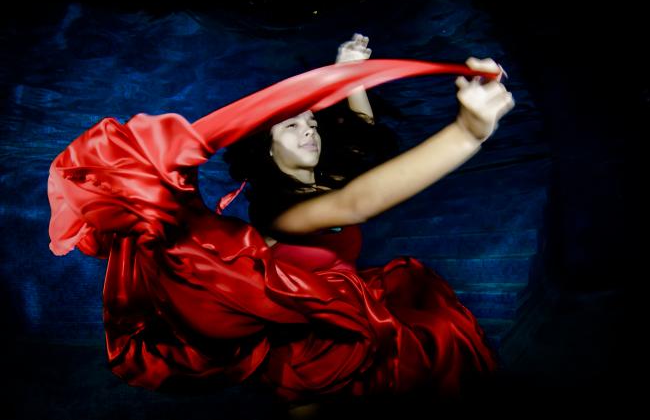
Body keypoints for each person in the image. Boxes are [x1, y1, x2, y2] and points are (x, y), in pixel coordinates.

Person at [47, 33, 514, 408]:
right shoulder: (281, 212)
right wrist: (467, 134)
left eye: (311, 123)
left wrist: (350, 74)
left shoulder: (324, 178)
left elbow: (361, 133)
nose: (308, 131)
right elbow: (356, 204)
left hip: (348, 314)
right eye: (291, 127)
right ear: (266, 151)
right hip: (311, 350)